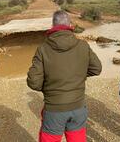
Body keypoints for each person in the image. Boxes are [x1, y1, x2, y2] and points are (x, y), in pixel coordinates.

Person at [27, 10, 102, 142]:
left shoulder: (43, 49)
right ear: (70, 25)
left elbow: (34, 82)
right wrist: (79, 77)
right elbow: (96, 69)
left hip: (54, 109)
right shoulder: (83, 45)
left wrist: (49, 87)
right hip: (78, 107)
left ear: (53, 25)